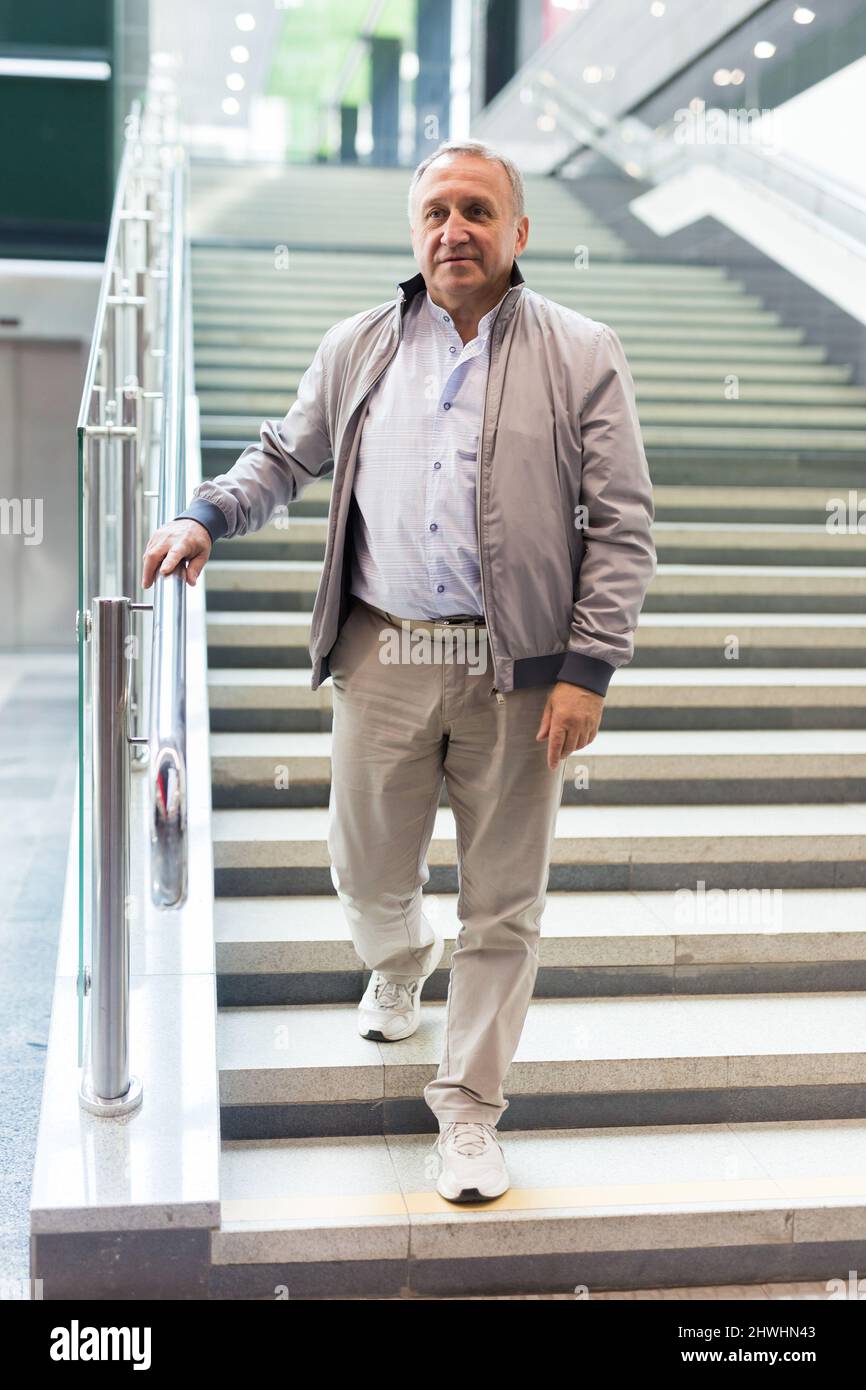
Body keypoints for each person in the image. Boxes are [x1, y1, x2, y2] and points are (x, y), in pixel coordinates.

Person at [142, 139, 656, 1205]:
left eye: (475, 210)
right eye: (433, 211)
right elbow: (283, 456)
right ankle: (396, 952)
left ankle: (469, 1110)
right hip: (383, 649)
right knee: (365, 869)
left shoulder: (579, 350)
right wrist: (205, 514)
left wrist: (587, 667)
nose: (451, 230)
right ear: (413, 228)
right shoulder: (361, 345)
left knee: (503, 902)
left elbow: (619, 524)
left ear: (517, 232)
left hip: (515, 665)